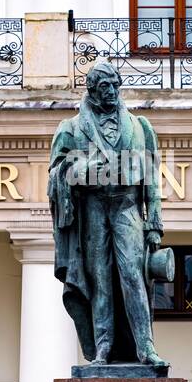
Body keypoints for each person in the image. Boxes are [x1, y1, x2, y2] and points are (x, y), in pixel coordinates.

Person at [48, 63, 167, 366]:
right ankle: (103, 347)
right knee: (99, 279)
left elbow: (152, 179)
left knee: (133, 275)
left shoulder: (140, 127)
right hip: (94, 209)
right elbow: (56, 174)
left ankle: (145, 347)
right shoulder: (71, 128)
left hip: (127, 207)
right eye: (104, 88)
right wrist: (83, 169)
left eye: (115, 86)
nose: (111, 92)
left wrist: (154, 223)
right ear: (92, 90)